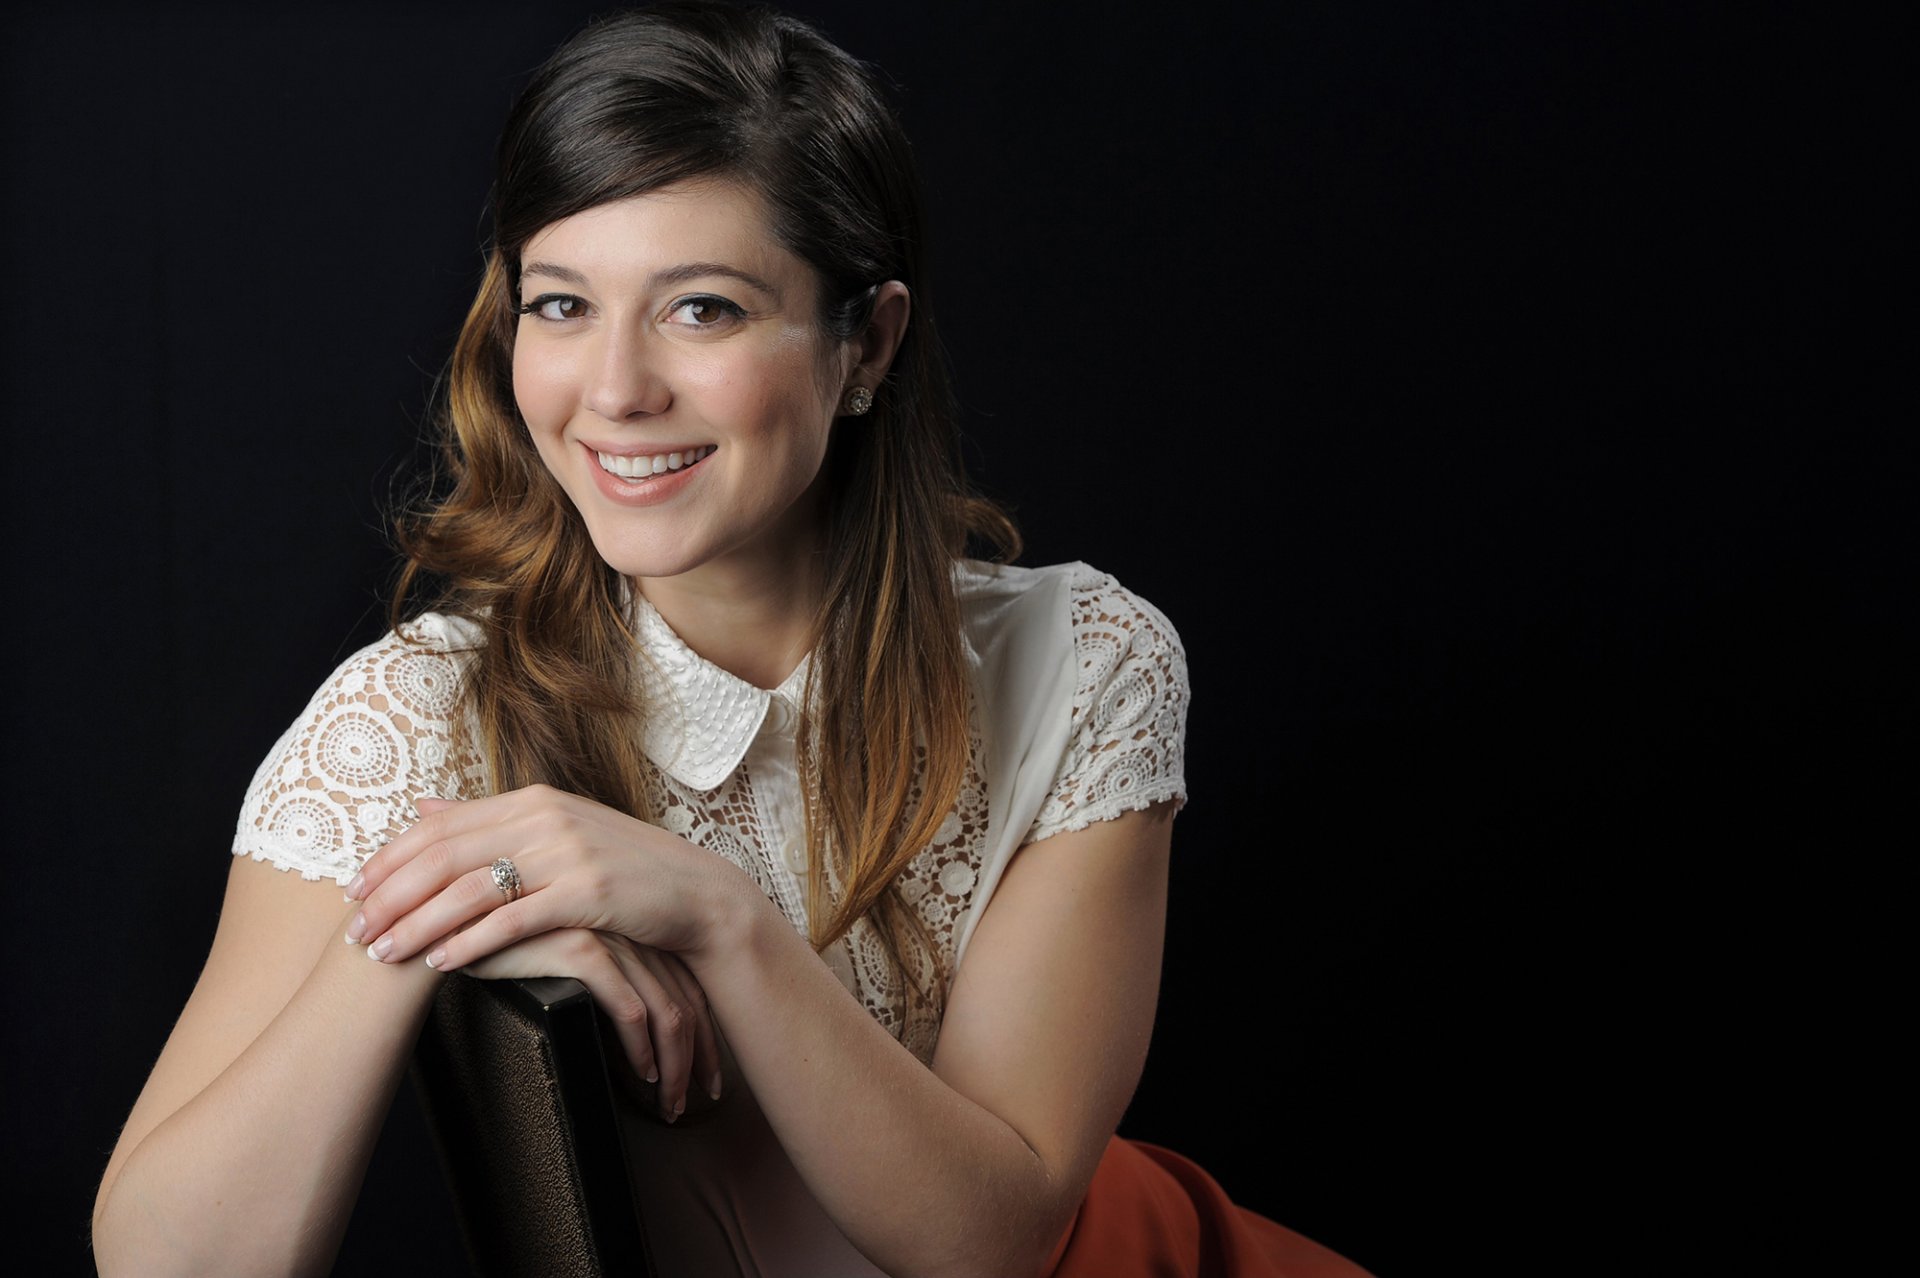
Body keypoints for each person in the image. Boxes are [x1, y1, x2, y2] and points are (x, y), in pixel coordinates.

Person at [91, 4, 1368, 1274]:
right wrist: (444, 921)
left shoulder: (1085, 663)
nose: (614, 390)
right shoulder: (415, 715)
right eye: (560, 305)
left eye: (701, 309)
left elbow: (991, 1243)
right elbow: (164, 1264)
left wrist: (716, 917)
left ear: (866, 342)